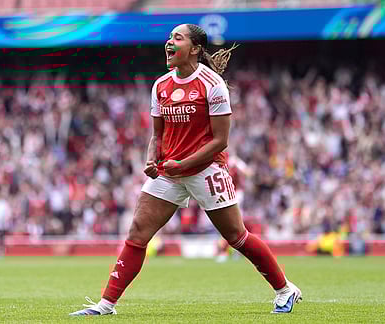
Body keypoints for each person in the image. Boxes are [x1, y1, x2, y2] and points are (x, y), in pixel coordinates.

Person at [70, 23, 302, 316]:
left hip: (206, 169)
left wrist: (185, 163)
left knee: (236, 237)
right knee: (137, 234)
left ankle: (285, 290)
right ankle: (106, 305)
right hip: (170, 172)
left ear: (194, 49)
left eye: (177, 38)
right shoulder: (161, 85)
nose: (169, 42)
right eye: (169, 37)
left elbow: (220, 141)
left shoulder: (212, 84)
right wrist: (151, 160)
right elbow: (157, 135)